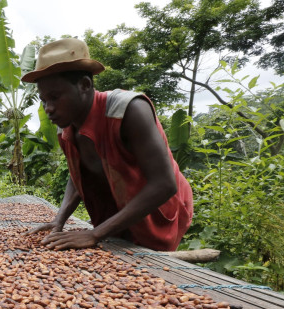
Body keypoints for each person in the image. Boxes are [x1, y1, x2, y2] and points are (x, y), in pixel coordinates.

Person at [22, 38, 193, 251]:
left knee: (151, 264)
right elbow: (78, 175)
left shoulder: (129, 110)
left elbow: (164, 184)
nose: (48, 108)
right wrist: (59, 220)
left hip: (160, 209)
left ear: (85, 85)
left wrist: (95, 234)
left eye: (55, 97)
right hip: (118, 207)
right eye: (44, 100)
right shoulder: (66, 127)